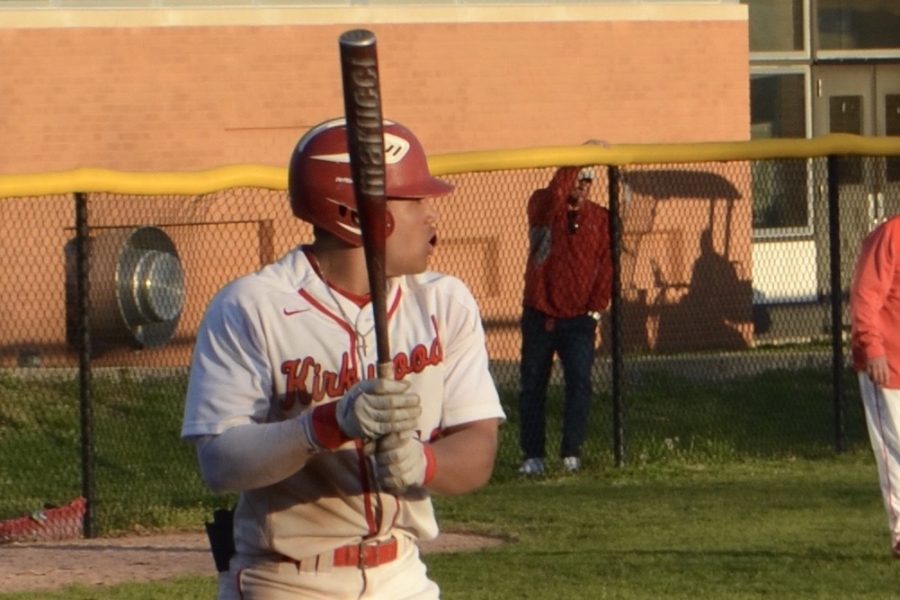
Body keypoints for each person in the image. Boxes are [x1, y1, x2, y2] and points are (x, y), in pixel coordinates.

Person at [181, 117, 506, 599]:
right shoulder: (252, 307)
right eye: (413, 200)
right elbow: (221, 464)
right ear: (355, 214)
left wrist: (425, 463)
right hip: (287, 579)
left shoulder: (443, 303)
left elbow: (479, 445)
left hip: (401, 572)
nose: (430, 217)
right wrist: (323, 426)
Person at [518, 154, 612, 476]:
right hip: (540, 314)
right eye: (577, 179)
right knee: (533, 385)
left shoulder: (600, 219)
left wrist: (595, 308)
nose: (581, 187)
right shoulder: (544, 207)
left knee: (580, 384)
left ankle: (571, 452)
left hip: (578, 320)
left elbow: (606, 266)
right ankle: (532, 455)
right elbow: (554, 197)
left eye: (587, 181)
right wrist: (580, 155)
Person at [850, 214, 900, 558]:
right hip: (888, 364)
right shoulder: (890, 234)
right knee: (895, 450)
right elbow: (864, 295)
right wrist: (873, 348)